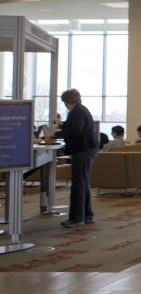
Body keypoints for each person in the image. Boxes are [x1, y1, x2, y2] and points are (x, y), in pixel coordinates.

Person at [54, 89, 99, 227]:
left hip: (82, 150)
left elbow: (76, 130)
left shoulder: (77, 111)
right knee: (83, 183)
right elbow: (74, 125)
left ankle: (76, 218)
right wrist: (63, 125)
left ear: (68, 101)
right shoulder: (80, 110)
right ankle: (87, 215)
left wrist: (57, 135)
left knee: (78, 185)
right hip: (87, 150)